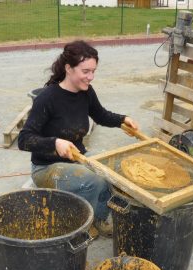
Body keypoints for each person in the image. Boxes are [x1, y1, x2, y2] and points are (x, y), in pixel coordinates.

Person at [18, 40, 139, 236]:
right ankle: (81, 223)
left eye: (93, 71)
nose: (90, 77)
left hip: (77, 158)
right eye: (85, 71)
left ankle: (98, 218)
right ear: (69, 68)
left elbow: (101, 115)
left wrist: (123, 119)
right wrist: (55, 143)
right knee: (94, 180)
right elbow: (25, 139)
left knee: (113, 170)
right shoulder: (47, 99)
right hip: (47, 168)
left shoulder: (86, 93)